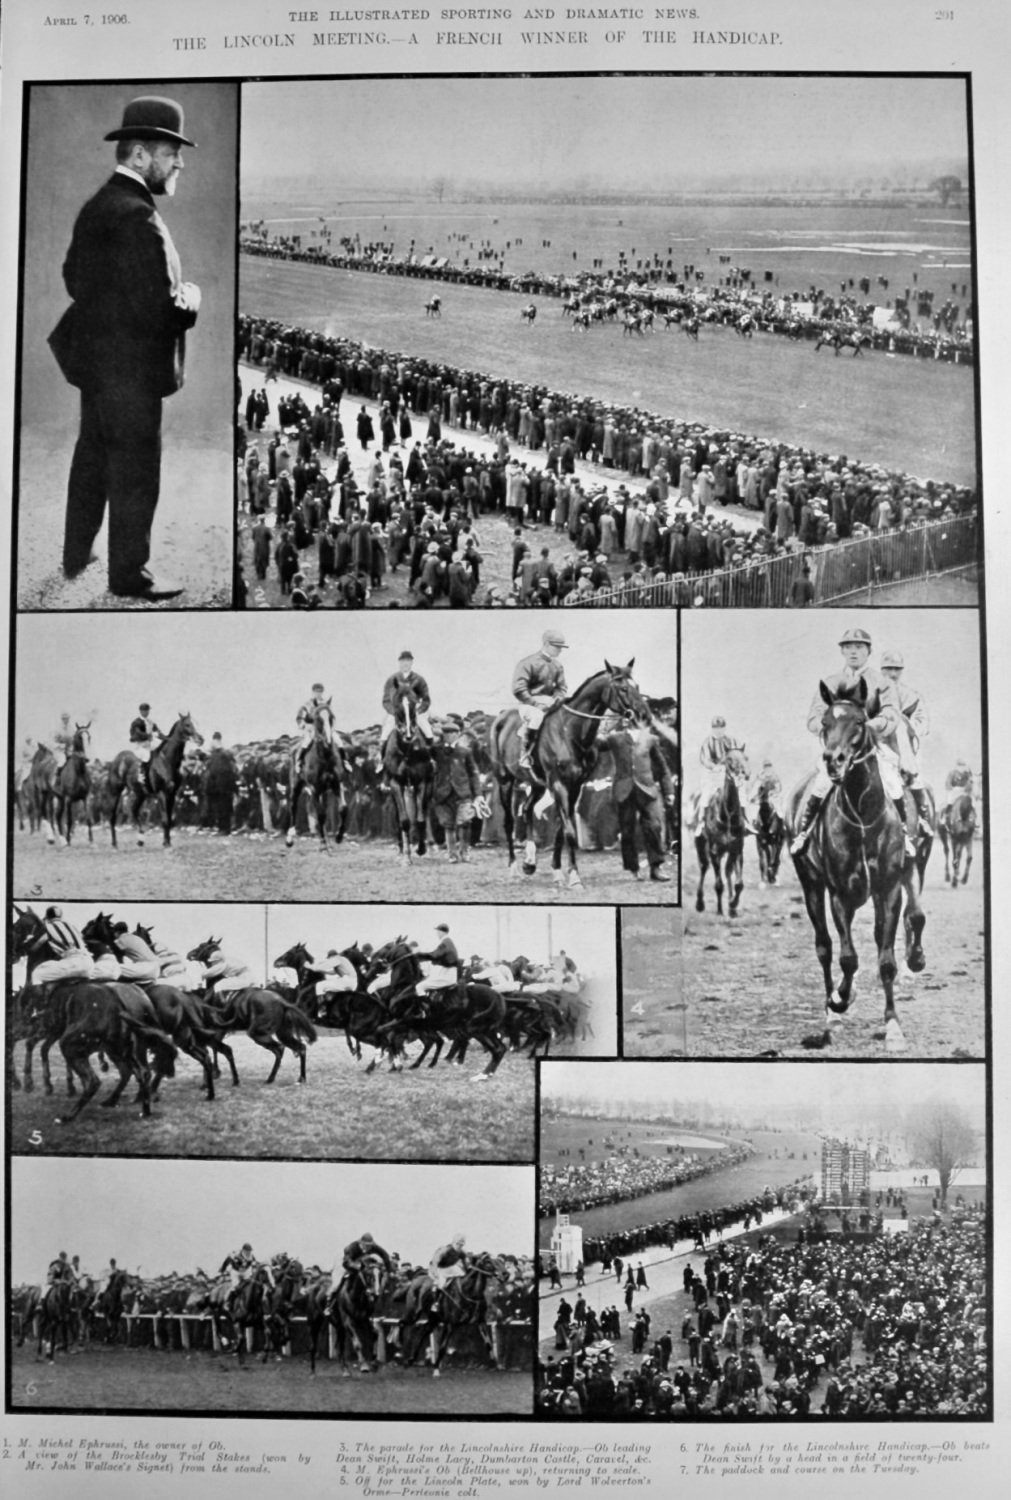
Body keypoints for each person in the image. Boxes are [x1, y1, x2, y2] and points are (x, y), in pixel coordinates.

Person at [49, 96, 201, 599]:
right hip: (132, 373)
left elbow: (74, 279)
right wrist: (191, 299)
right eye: (170, 152)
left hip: (97, 365)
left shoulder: (98, 205)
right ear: (139, 155)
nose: (179, 161)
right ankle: (129, 575)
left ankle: (76, 554)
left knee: (91, 459)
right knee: (135, 473)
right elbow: (161, 310)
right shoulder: (138, 216)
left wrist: (113, 314)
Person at [791, 627, 913, 857]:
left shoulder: (882, 682)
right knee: (822, 782)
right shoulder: (831, 682)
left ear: (869, 651)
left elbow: (891, 714)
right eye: (848, 647)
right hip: (839, 748)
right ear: (842, 652)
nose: (853, 652)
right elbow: (814, 717)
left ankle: (904, 834)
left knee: (891, 781)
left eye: (859, 647)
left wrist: (867, 727)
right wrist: (831, 728)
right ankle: (804, 832)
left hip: (872, 748)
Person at [601, 719, 675, 881]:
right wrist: (607, 726)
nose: (630, 719)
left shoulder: (650, 739)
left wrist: (669, 791)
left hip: (647, 790)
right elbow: (597, 744)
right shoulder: (615, 738)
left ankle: (656, 868)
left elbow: (662, 768)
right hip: (624, 790)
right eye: (626, 716)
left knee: (654, 826)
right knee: (627, 831)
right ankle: (633, 869)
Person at [879, 648, 933, 834]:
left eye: (896, 669)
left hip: (905, 749)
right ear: (881, 670)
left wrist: (904, 724)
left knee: (915, 778)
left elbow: (923, 722)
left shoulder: (912, 695)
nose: (892, 673)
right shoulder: (873, 694)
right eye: (888, 669)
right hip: (880, 746)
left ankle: (924, 818)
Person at [512, 628, 569, 771]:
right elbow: (519, 689)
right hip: (529, 704)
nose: (560, 651)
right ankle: (525, 753)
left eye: (561, 647)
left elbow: (562, 688)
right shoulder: (527, 662)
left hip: (550, 702)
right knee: (537, 717)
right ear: (546, 644)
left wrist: (557, 698)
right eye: (557, 647)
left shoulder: (557, 665)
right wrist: (535, 703)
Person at [429, 717, 483, 863]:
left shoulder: (465, 751)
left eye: (453, 733)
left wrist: (478, 794)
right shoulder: (436, 750)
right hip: (442, 793)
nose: (450, 735)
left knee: (465, 822)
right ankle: (452, 854)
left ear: (458, 734)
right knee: (448, 824)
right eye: (446, 733)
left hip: (463, 792)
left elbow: (473, 773)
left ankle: (464, 851)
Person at [380, 650, 434, 755]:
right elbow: (386, 700)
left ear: (412, 662)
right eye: (403, 661)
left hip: (414, 709)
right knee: (385, 733)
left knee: (427, 730)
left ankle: (431, 757)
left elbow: (426, 699)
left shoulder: (419, 679)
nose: (405, 663)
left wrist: (420, 710)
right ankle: (382, 760)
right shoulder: (391, 680)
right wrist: (393, 711)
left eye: (408, 661)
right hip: (397, 710)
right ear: (399, 662)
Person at [27, 905, 95, 987]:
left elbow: (32, 948)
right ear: (61, 916)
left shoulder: (48, 927)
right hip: (89, 964)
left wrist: (28, 940)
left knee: (37, 974)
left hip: (73, 962)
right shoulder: (73, 927)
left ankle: (38, 1000)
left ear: (47, 917)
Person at [295, 682, 343, 776]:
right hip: (312, 729)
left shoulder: (326, 704)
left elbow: (332, 717)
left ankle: (344, 761)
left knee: (338, 740)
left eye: (320, 692)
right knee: (307, 741)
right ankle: (299, 762)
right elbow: (299, 719)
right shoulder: (306, 705)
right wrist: (305, 726)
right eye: (316, 692)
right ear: (312, 692)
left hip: (326, 728)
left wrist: (332, 727)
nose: (318, 694)